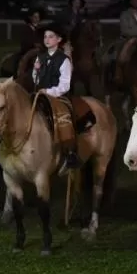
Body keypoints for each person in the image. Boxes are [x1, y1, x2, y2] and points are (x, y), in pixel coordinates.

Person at [32, 24, 85, 176]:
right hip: (39, 94)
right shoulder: (40, 57)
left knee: (63, 118)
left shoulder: (64, 60)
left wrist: (49, 91)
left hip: (57, 96)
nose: (47, 40)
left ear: (59, 40)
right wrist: (35, 71)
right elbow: (35, 79)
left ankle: (70, 152)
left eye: (51, 37)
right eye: (45, 37)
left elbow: (65, 85)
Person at [15, 7, 45, 80]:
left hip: (40, 49)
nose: (37, 19)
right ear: (30, 18)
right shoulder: (26, 28)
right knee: (30, 55)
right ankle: (21, 73)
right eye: (35, 17)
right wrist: (34, 44)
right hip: (28, 49)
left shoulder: (40, 29)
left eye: (38, 17)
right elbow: (25, 41)